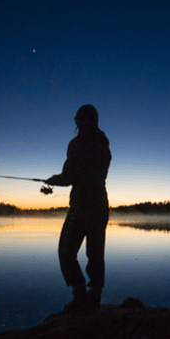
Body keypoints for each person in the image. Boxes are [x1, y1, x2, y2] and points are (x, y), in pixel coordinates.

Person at [45, 104, 112, 314]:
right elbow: (86, 174)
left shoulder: (77, 143)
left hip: (82, 206)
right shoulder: (103, 143)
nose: (76, 122)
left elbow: (71, 175)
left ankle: (80, 296)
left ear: (85, 120)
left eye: (78, 119)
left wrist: (54, 180)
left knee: (66, 251)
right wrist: (61, 179)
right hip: (100, 206)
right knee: (95, 253)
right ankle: (94, 298)